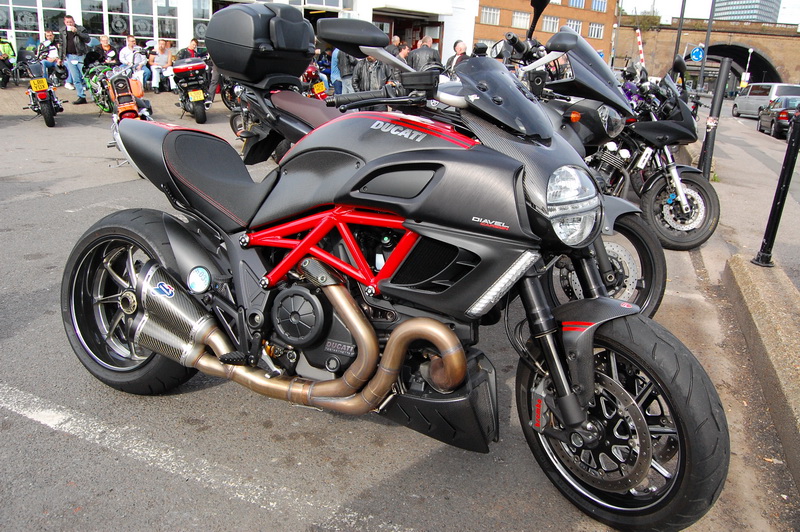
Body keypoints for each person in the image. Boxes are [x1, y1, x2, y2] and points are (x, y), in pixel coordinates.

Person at [58, 15, 91, 104]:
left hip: (80, 55)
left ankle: (94, 96)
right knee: (75, 78)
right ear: (65, 22)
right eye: (67, 22)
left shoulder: (80, 28)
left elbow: (87, 39)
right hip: (69, 56)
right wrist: (60, 58)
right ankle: (81, 96)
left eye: (71, 22)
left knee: (86, 76)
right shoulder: (62, 30)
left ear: (74, 21)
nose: (69, 24)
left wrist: (77, 32)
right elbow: (61, 44)